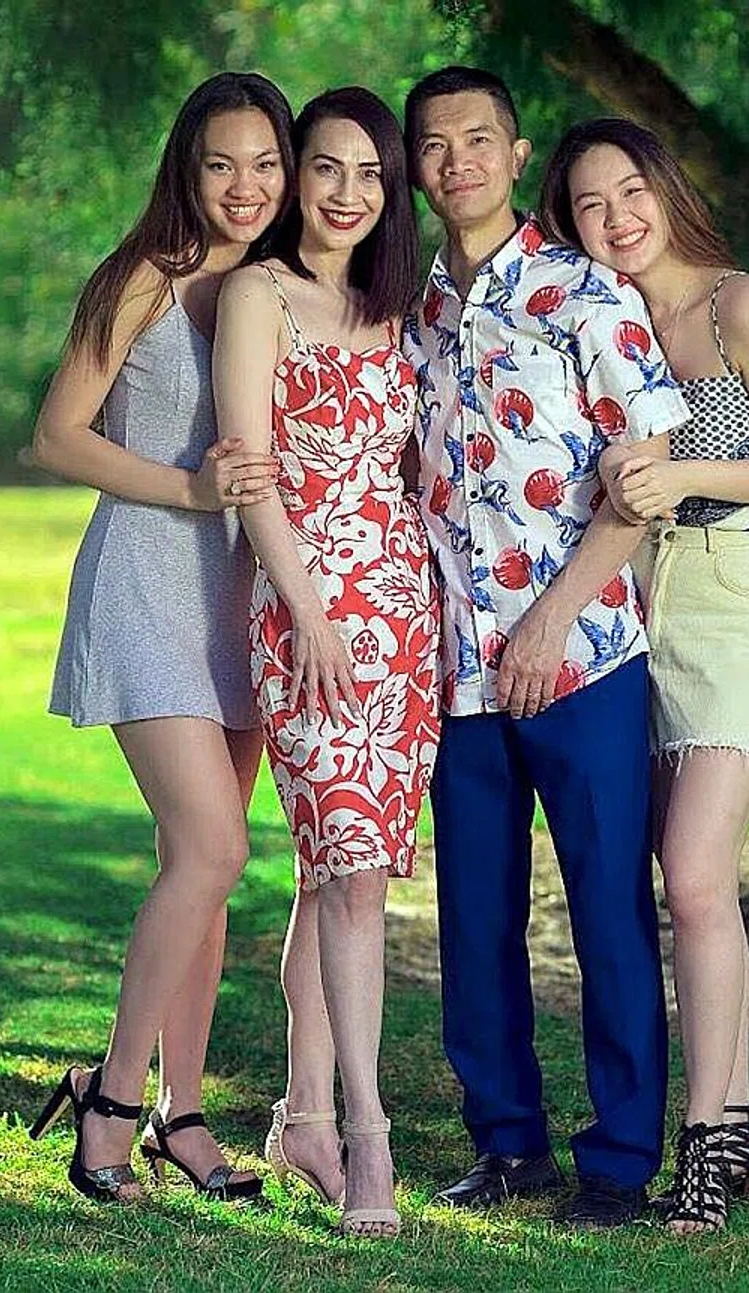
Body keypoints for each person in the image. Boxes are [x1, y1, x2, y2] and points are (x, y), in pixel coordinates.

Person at [401, 67, 694, 1229]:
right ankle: (506, 1144)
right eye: (434, 143)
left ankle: (619, 1162)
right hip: (457, 674)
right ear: (417, 168)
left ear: (515, 154)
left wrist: (551, 620)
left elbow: (648, 475)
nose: (457, 158)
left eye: (480, 137)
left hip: (582, 663)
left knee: (609, 912)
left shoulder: (587, 292)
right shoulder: (410, 309)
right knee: (475, 920)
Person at [541, 117, 749, 1233]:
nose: (616, 220)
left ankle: (706, 1146)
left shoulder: (737, 306)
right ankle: (741, 1113)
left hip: (737, 595)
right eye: (588, 205)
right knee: (666, 870)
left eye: (631, 192)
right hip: (633, 597)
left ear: (666, 188)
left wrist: (682, 469)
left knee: (696, 874)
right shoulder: (600, 317)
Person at [25, 72, 294, 1205]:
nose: (246, 187)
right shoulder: (145, 275)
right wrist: (189, 493)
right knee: (213, 850)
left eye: (267, 165)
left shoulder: (281, 289)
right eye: (222, 163)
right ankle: (112, 1106)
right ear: (187, 168)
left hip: (240, 595)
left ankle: (184, 1114)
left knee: (202, 869)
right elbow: (56, 437)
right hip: (146, 578)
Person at [213, 86, 437, 1239]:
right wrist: (307, 611)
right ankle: (367, 1139)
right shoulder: (259, 295)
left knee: (341, 871)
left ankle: (300, 1115)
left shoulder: (400, 305)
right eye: (327, 169)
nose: (347, 194)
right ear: (297, 176)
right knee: (349, 874)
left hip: (404, 620)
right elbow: (250, 472)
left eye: (370, 175)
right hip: (307, 617)